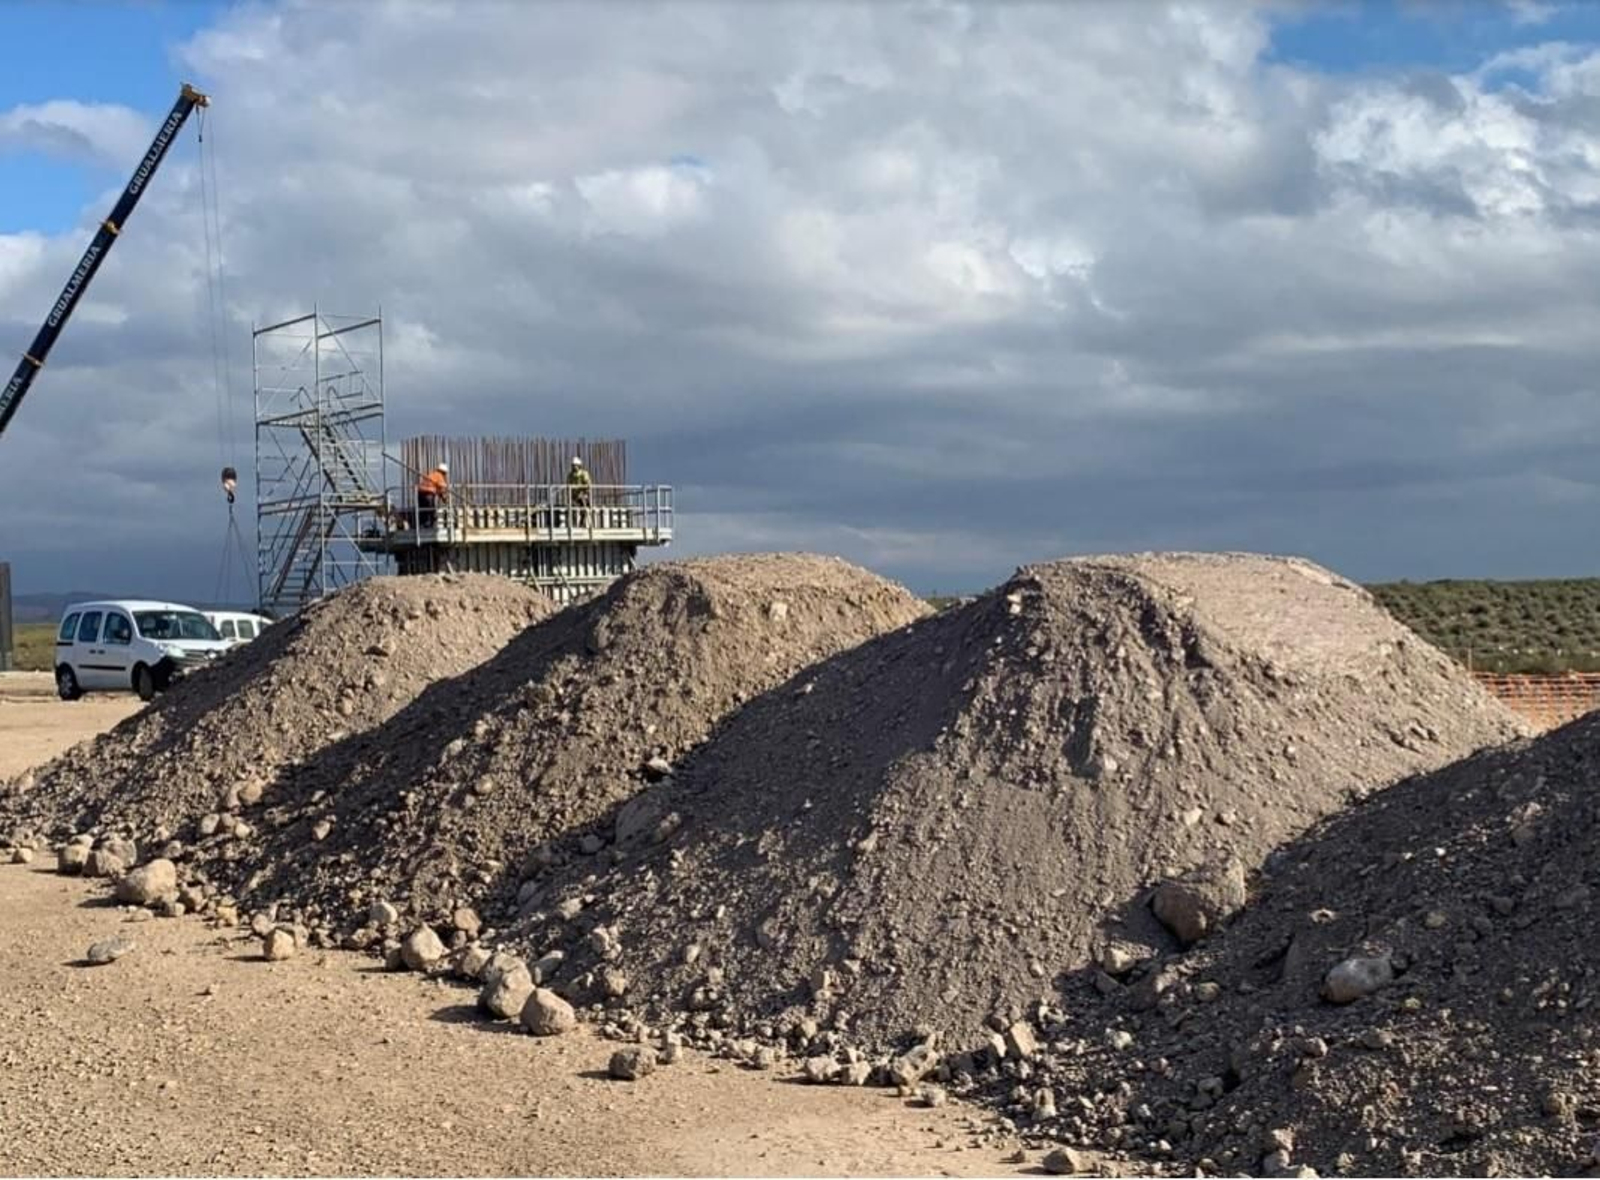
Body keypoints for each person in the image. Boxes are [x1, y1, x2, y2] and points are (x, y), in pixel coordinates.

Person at [417, 461, 449, 528]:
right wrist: (445, 499)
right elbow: (442, 488)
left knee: (422, 510)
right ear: (444, 472)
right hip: (428, 494)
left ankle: (422, 524)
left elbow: (438, 489)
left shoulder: (432, 474)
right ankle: (430, 524)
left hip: (420, 493)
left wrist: (441, 496)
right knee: (431, 510)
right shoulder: (439, 476)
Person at [567, 456, 592, 524]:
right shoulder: (570, 475)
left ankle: (583, 522)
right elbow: (568, 485)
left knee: (584, 507)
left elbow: (588, 484)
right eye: (573, 465)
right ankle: (574, 523)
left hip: (583, 495)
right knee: (572, 509)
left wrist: (583, 491)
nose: (574, 467)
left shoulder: (583, 474)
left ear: (579, 466)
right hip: (574, 495)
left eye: (575, 465)